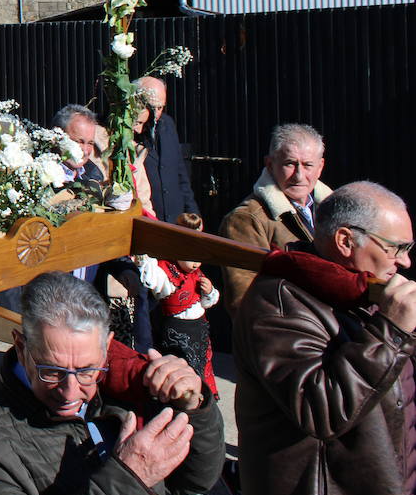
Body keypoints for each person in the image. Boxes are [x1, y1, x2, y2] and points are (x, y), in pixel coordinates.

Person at [0, 271, 225, 495]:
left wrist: (193, 404)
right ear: (21, 347)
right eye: (52, 371)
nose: (70, 392)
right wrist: (130, 478)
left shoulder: (128, 384)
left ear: (107, 347)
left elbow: (194, 479)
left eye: (86, 370)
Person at [234, 181, 416, 495]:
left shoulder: (364, 293)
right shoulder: (279, 303)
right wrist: (391, 333)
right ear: (346, 241)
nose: (406, 261)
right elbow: (321, 410)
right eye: (397, 248)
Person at [220, 122, 331, 312]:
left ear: (320, 167)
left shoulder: (336, 212)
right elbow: (244, 303)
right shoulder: (246, 220)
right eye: (290, 163)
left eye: (308, 165)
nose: (299, 175)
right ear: (270, 164)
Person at [137, 254, 220, 395]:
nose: (196, 265)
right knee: (181, 367)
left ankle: (203, 395)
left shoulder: (197, 274)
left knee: (203, 364)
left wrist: (209, 292)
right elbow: (151, 277)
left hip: (199, 330)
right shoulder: (166, 272)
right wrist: (143, 259)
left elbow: (206, 303)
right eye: (191, 259)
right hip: (177, 332)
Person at [135, 76, 200, 224]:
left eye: (160, 107)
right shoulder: (132, 133)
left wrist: (192, 211)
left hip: (176, 219)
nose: (156, 114)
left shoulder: (167, 124)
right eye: (151, 107)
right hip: (147, 219)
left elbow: (180, 172)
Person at [52, 104, 104, 185]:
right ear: (57, 137)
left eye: (90, 143)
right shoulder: (40, 177)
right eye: (79, 142)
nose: (85, 151)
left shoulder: (95, 177)